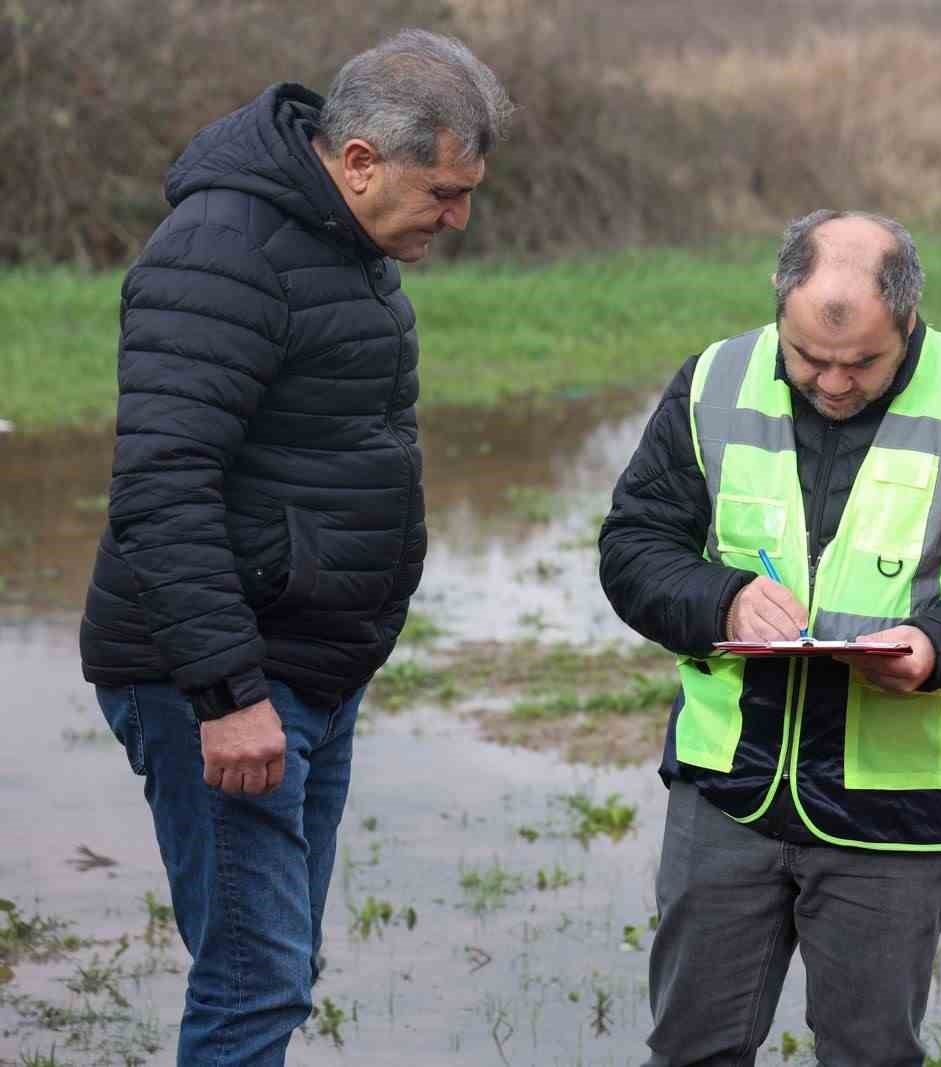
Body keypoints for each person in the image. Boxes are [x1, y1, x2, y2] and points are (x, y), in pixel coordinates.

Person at [79, 30, 509, 1065]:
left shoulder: (341, 241)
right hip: (224, 679)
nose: (458, 217)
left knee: (272, 966)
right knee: (252, 980)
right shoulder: (223, 249)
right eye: (443, 192)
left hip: (304, 666)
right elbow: (162, 482)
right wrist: (226, 696)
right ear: (358, 159)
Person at [599, 210, 941, 1065]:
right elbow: (635, 543)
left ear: (908, 319)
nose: (831, 382)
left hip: (893, 812)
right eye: (808, 358)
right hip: (726, 792)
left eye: (862, 362)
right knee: (690, 1049)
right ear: (780, 305)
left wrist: (940, 645)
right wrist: (723, 599)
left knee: (870, 1053)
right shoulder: (713, 378)